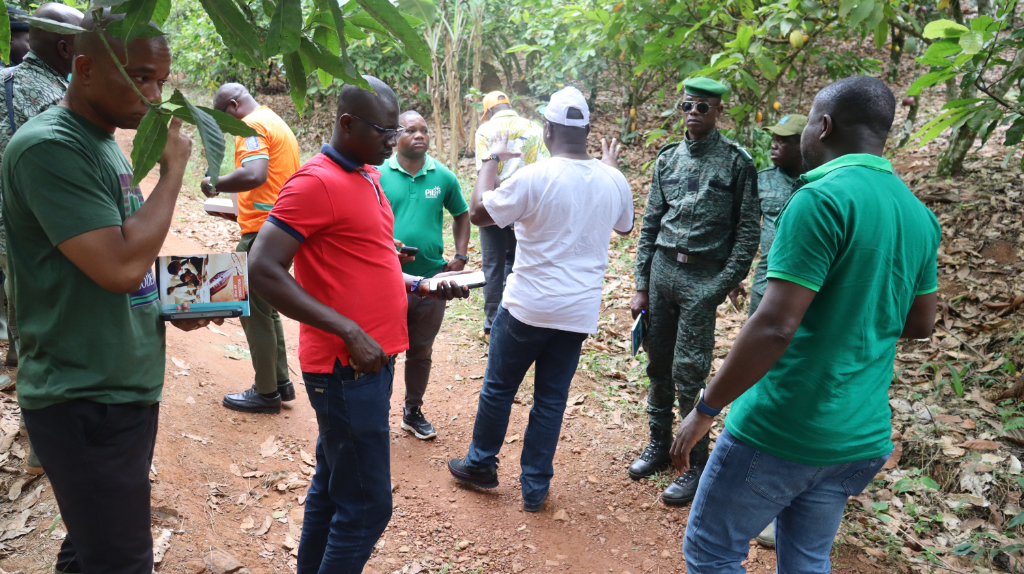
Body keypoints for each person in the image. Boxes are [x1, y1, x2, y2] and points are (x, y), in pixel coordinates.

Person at [673, 75, 940, 573]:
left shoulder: (820, 199)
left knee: (712, 551)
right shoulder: (918, 215)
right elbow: (921, 322)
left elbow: (775, 326)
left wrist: (705, 409)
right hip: (858, 435)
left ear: (824, 126)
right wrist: (854, 312)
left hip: (784, 428)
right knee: (807, 558)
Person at [2, 11, 219, 573]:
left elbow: (119, 253)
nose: (154, 96)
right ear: (84, 68)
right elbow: (119, 266)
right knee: (121, 561)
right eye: (140, 77)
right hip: (84, 395)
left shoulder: (100, 141)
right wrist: (172, 172)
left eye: (161, 81)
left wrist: (175, 298)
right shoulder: (50, 147)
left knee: (90, 549)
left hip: (118, 384)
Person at [247, 76, 468, 573]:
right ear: (347, 124)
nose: (393, 140)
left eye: (395, 130)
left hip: (373, 360)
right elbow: (262, 268)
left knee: (332, 489)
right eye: (384, 131)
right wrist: (347, 330)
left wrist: (419, 284)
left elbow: (367, 257)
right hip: (345, 367)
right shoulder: (315, 182)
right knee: (367, 506)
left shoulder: (367, 174)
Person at [447, 87, 633, 512]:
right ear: (588, 131)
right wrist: (610, 171)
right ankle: (535, 488)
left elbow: (479, 213)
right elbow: (624, 226)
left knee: (499, 388)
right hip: (577, 312)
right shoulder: (613, 179)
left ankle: (480, 464)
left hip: (528, 306)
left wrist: (491, 159)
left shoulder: (535, 176)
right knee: (551, 399)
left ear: (547, 130)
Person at [628, 77, 759, 506]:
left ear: (718, 110)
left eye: (703, 107)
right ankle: (658, 443)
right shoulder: (667, 159)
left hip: (703, 278)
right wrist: (641, 285)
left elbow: (747, 235)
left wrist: (718, 288)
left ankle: (694, 463)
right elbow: (650, 224)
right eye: (687, 105)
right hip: (663, 271)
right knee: (658, 364)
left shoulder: (737, 163)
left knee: (690, 372)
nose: (693, 113)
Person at [0, 2, 84, 476]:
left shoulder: (4, 81)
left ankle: (36, 436)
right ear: (67, 48)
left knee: (24, 330)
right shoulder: (56, 100)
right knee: (50, 334)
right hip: (39, 238)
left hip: (8, 237)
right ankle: (46, 448)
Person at [202, 82, 300, 414]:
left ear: (232, 106)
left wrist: (214, 183)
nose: (228, 129)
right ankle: (281, 382)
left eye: (223, 119)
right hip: (280, 227)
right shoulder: (275, 121)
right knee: (265, 306)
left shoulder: (252, 125)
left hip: (262, 232)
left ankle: (266, 392)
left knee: (246, 305)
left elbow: (255, 174)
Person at [379, 110, 470, 440]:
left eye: (424, 130)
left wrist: (460, 255)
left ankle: (412, 411)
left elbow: (462, 214)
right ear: (395, 137)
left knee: (420, 351)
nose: (419, 135)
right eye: (410, 130)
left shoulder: (443, 176)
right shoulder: (378, 174)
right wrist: (385, 248)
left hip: (432, 282)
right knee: (384, 350)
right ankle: (377, 413)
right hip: (387, 279)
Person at [473, 90, 548, 340]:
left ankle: (490, 324)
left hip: (493, 203)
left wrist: (501, 204)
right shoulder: (535, 129)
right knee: (517, 262)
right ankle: (513, 319)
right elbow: (542, 168)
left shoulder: (485, 131)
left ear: (489, 111)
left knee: (492, 264)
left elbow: (486, 171)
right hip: (527, 206)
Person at [730, 114, 807, 317]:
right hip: (767, 280)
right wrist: (735, 275)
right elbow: (746, 231)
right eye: (773, 140)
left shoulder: (822, 181)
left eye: (782, 141)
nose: (773, 146)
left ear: (803, 144)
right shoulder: (763, 180)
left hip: (808, 282)